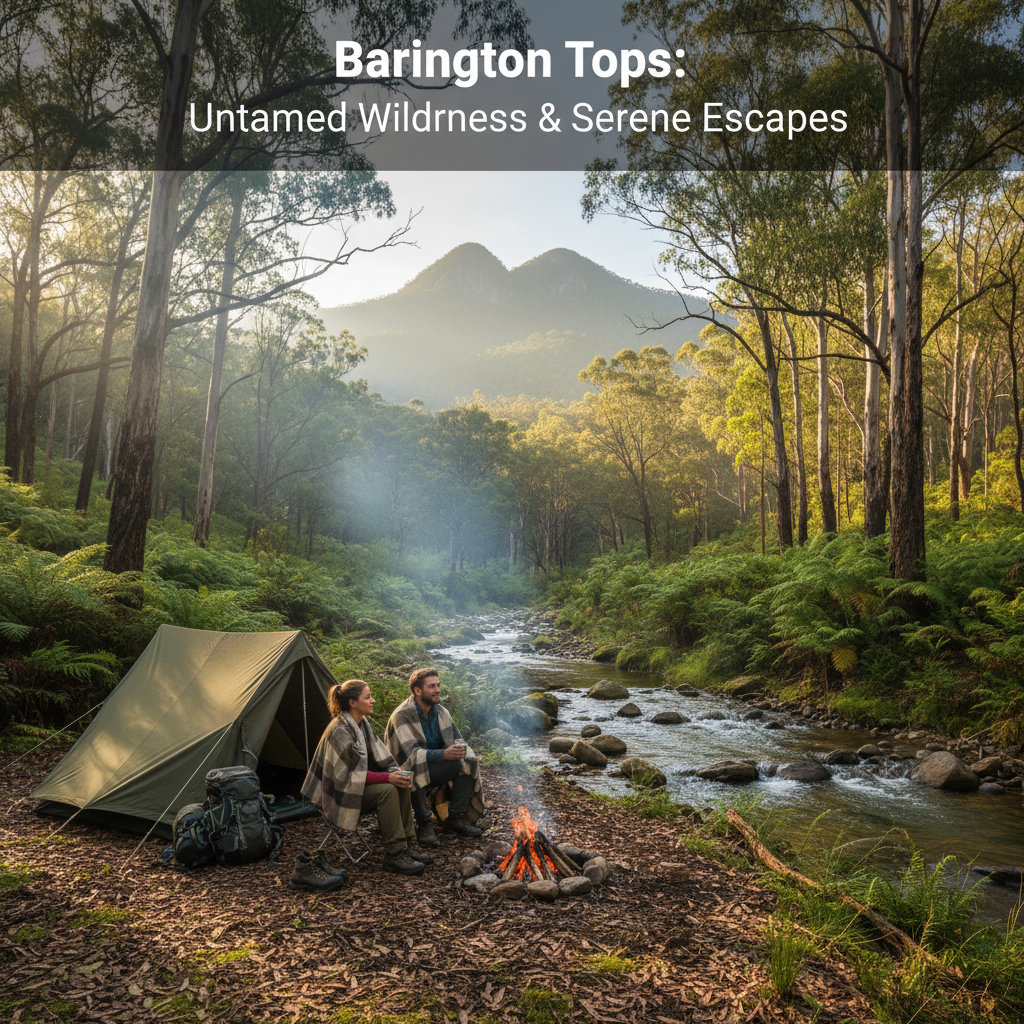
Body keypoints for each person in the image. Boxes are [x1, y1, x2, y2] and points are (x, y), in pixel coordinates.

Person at [301, 679, 432, 877]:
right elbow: (348, 777)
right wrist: (388, 779)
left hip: (356, 788)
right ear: (353, 703)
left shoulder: (362, 724)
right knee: (387, 790)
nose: (373, 701)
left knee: (401, 782)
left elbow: (381, 756)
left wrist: (395, 774)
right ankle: (395, 854)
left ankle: (408, 846)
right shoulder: (340, 730)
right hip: (337, 795)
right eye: (367, 697)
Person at [384, 667, 484, 847]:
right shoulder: (402, 715)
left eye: (438, 685)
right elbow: (411, 756)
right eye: (431, 686)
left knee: (469, 760)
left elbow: (458, 739)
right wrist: (444, 754)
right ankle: (424, 824)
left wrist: (460, 751)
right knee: (415, 768)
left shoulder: (441, 711)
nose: (437, 690)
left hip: (433, 766)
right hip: (401, 773)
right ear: (417, 690)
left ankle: (456, 818)